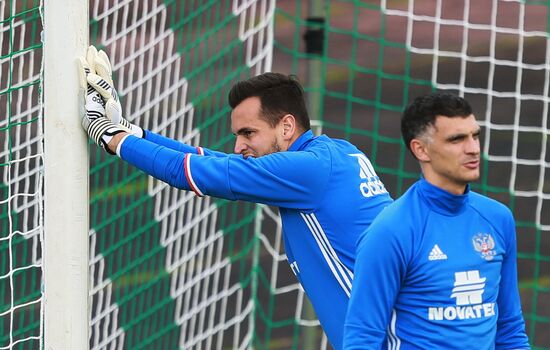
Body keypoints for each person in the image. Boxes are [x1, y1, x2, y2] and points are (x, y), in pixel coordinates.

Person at [79, 45, 393, 349]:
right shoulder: (337, 153)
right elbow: (215, 162)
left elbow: (187, 172)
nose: (238, 147)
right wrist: (128, 130)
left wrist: (107, 135)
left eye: (248, 133)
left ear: (286, 127)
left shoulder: (306, 171)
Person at [343, 92, 530, 349]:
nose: (473, 148)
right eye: (456, 139)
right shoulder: (390, 231)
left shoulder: (498, 219)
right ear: (421, 149)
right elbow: (362, 336)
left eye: (475, 135)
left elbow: (510, 328)